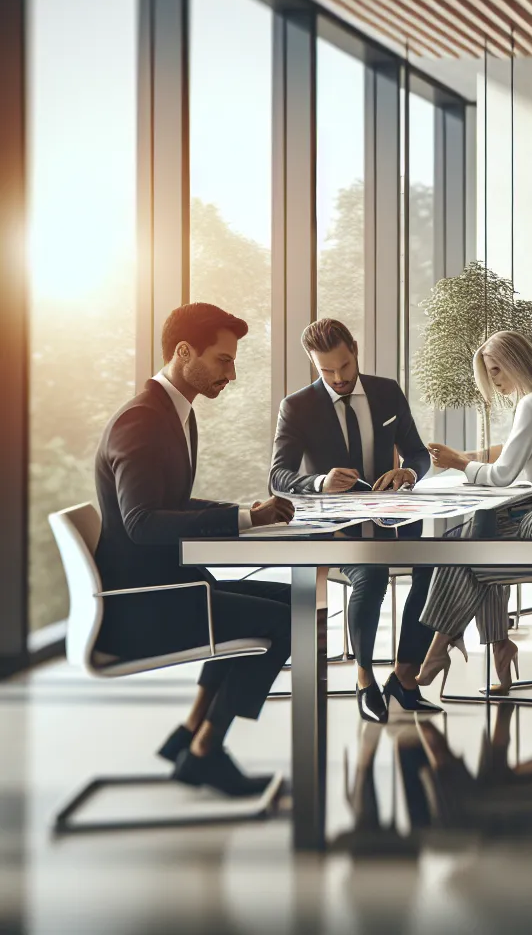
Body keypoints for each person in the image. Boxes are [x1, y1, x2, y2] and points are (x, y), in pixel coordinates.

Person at [93, 303, 294, 796]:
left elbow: (172, 503)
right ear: (184, 352)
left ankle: (190, 732)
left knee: (294, 601)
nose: (232, 372)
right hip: (139, 608)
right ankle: (204, 751)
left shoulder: (175, 412)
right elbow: (141, 523)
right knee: (291, 619)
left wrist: (249, 512)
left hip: (165, 589)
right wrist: (243, 519)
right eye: (223, 360)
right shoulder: (141, 420)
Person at [269, 318, 438, 724]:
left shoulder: (386, 393)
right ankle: (365, 680)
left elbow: (418, 453)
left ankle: (405, 676)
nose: (338, 378)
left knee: (436, 568)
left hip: (393, 521)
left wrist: (409, 474)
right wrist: (319, 481)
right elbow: (278, 476)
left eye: (343, 366)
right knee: (372, 573)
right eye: (325, 370)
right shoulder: (297, 406)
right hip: (337, 529)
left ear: (355, 350)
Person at [419, 331, 532, 693]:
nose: (495, 380)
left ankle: (441, 649)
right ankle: (496, 646)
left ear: (516, 364)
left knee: (468, 557)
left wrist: (457, 463)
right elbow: (516, 447)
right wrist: (469, 457)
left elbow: (502, 476)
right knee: (470, 538)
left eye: (497, 370)